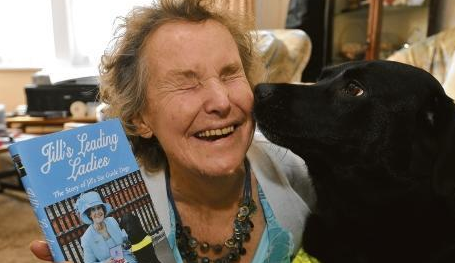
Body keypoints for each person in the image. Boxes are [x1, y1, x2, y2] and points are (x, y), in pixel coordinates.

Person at [30, 0, 315, 262]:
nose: (221, 101)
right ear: (139, 118)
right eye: (186, 83)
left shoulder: (304, 172)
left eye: (230, 74)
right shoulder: (126, 206)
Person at [74, 191, 136, 263]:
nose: (97, 212)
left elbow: (124, 239)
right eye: (93, 210)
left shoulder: (112, 221)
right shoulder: (87, 239)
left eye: (99, 208)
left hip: (127, 260)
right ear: (89, 214)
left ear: (103, 209)